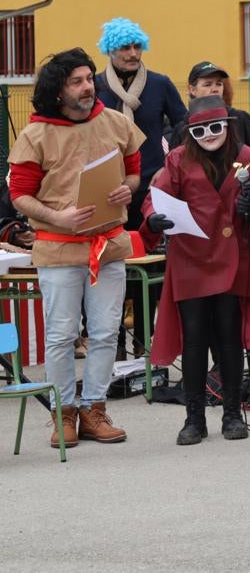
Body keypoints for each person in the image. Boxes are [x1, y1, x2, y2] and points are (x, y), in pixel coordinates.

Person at [6, 48, 143, 447]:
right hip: (59, 248)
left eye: (89, 78)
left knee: (104, 332)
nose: (88, 87)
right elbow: (19, 195)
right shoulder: (36, 135)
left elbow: (135, 173)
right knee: (62, 335)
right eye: (77, 81)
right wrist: (58, 218)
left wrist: (127, 189)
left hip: (108, 245)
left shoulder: (115, 122)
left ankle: (95, 409)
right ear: (58, 91)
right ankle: (62, 414)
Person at [143, 95, 250, 445]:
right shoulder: (177, 160)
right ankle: (194, 418)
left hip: (234, 258)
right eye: (200, 130)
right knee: (195, 339)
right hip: (191, 259)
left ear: (228, 127)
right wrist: (152, 219)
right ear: (190, 132)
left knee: (231, 339)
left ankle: (232, 414)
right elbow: (155, 198)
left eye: (216, 127)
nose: (209, 135)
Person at [93, 18, 186, 230]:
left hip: (152, 183)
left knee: (150, 252)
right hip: (108, 189)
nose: (133, 54)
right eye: (125, 47)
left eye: (137, 46)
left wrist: (167, 167)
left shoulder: (160, 84)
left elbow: (184, 127)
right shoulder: (95, 87)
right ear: (110, 50)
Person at [177, 61, 250, 165]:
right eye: (207, 84)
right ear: (192, 90)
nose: (215, 89)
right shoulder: (183, 128)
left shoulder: (241, 119)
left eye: (219, 84)